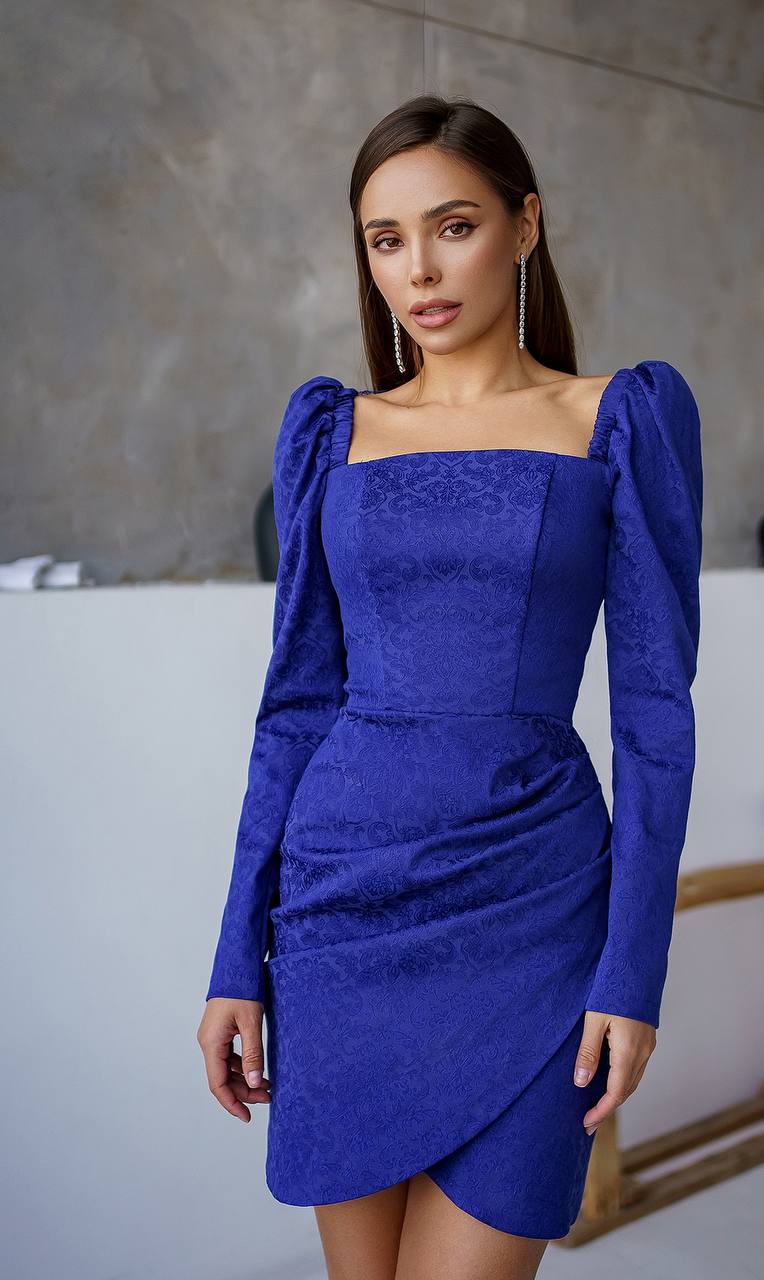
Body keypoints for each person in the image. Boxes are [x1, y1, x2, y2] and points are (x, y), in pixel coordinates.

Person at [197, 93, 703, 1280]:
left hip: (531, 906)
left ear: (526, 226)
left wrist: (635, 970)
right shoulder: (333, 431)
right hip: (339, 912)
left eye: (453, 225)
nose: (417, 268)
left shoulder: (618, 420)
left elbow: (654, 719)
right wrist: (235, 955)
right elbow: (294, 709)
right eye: (385, 239)